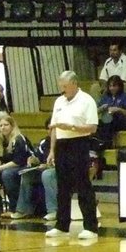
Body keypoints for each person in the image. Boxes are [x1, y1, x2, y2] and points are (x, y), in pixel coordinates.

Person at [44, 71, 100, 241]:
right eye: (61, 86)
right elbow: (54, 128)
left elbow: (92, 127)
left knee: (83, 184)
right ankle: (62, 225)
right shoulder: (59, 101)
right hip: (61, 145)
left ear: (74, 84)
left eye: (65, 86)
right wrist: (52, 150)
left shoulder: (86, 101)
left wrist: (73, 127)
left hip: (79, 143)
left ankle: (90, 226)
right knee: (62, 187)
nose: (62, 90)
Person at [0, 115, 32, 218]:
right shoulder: (0, 140)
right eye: (1, 125)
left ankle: (14, 208)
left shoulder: (18, 139)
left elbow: (18, 161)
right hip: (10, 167)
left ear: (12, 126)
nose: (3, 127)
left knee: (8, 174)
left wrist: (0, 168)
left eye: (6, 125)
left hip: (25, 166)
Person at [96, 74, 126, 149]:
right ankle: (100, 142)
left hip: (122, 121)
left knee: (112, 120)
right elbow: (97, 111)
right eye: (110, 86)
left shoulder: (125, 96)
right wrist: (102, 108)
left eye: (114, 86)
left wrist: (118, 109)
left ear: (119, 86)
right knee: (99, 123)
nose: (112, 88)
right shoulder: (106, 97)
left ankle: (107, 142)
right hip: (107, 120)